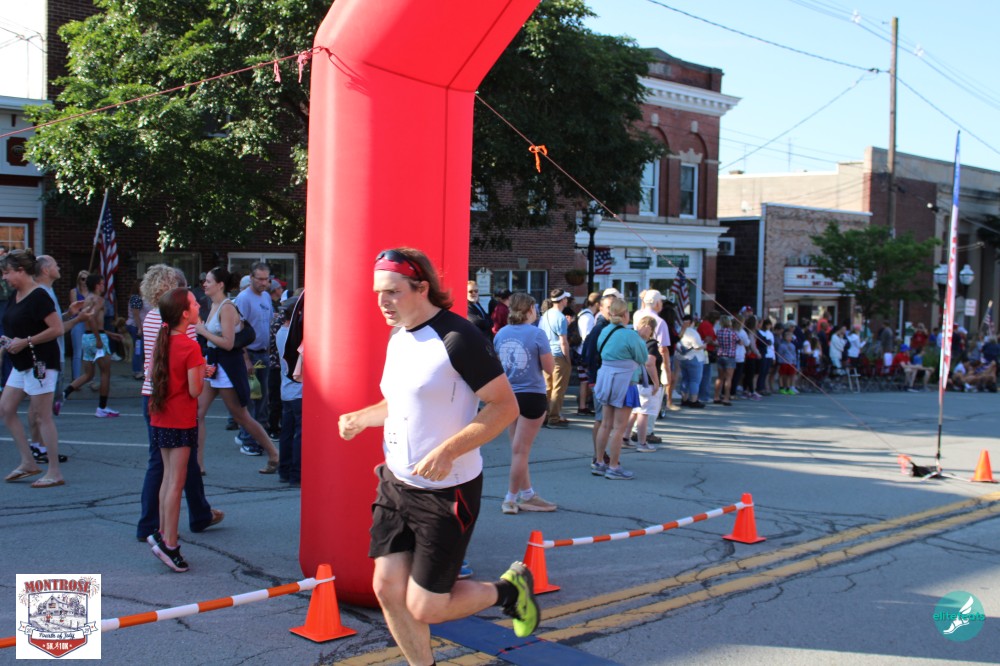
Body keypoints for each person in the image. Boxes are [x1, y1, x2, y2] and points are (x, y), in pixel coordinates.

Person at [337, 247, 536, 665]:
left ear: (421, 288)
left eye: (392, 292)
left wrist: (449, 450)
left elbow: (504, 407)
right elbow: (402, 403)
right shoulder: (398, 337)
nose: (382, 302)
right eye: (378, 292)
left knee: (427, 606)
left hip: (447, 491)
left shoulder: (458, 338)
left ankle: (510, 590)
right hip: (396, 483)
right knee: (386, 588)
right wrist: (361, 418)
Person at [136, 265, 223, 542]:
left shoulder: (151, 318)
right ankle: (160, 526)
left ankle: (166, 521)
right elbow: (187, 366)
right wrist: (203, 370)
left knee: (165, 462)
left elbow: (158, 360)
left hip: (153, 393)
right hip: (176, 398)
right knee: (177, 463)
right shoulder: (180, 327)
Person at [146, 288, 207, 573]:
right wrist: (202, 370)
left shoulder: (163, 341)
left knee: (168, 479)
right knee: (175, 482)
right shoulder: (190, 346)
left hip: (160, 417)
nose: (198, 306)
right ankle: (170, 543)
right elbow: (194, 390)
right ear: (184, 313)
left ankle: (162, 532)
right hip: (181, 419)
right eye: (194, 304)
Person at [195, 267, 279, 474]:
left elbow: (228, 343)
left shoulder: (227, 307)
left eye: (208, 281)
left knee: (241, 416)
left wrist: (203, 331)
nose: (204, 284)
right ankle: (197, 464)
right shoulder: (213, 305)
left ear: (220, 285)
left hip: (227, 367)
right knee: (197, 413)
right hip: (213, 365)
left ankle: (274, 454)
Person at [1, 250, 67, 488]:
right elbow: (14, 326)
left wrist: (26, 341)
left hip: (40, 363)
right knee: (6, 409)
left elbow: (57, 329)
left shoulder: (39, 296)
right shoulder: (16, 294)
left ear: (21, 271)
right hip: (21, 363)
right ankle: (28, 461)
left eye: (7, 272)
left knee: (42, 416)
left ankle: (54, 471)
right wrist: (7, 343)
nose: (4, 277)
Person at [493, 292, 556, 514]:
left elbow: (498, 366)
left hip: (508, 396)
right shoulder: (537, 334)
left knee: (518, 450)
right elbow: (549, 368)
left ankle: (528, 494)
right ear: (530, 310)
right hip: (531, 396)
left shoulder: (501, 333)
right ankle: (510, 499)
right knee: (521, 452)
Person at [592, 298, 648, 480]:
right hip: (625, 381)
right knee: (619, 428)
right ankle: (614, 467)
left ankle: (599, 462)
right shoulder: (630, 335)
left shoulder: (604, 331)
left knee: (605, 424)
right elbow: (643, 357)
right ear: (625, 314)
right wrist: (643, 339)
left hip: (605, 379)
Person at [62, 273, 123, 417]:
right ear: (97, 285)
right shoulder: (99, 300)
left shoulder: (86, 299)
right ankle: (102, 407)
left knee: (88, 374)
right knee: (105, 373)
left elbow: (91, 322)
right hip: (96, 338)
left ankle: (64, 394)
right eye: (101, 283)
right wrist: (99, 339)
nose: (103, 286)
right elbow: (91, 319)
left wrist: (109, 334)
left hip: (87, 337)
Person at [233, 262, 274, 455]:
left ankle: (255, 437)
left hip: (263, 353)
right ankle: (248, 440)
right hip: (249, 353)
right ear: (251, 278)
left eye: (266, 279)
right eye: (260, 279)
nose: (264, 283)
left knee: (262, 398)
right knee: (250, 399)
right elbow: (238, 330)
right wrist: (245, 359)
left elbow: (268, 324)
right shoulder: (244, 298)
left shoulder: (266, 296)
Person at [276, 296, 302, 486]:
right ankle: (296, 473)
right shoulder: (296, 336)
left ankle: (284, 470)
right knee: (299, 434)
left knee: (286, 432)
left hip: (286, 390)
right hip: (299, 390)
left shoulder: (281, 332)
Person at [538, 288, 572, 428]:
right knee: (558, 388)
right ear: (563, 300)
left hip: (546, 353)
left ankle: (544, 416)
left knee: (547, 386)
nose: (567, 301)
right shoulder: (560, 317)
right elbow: (563, 342)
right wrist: (567, 359)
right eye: (566, 298)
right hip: (558, 355)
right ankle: (554, 418)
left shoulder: (546, 314)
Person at [631, 316, 663, 453]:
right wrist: (656, 382)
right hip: (646, 382)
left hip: (635, 379)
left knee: (634, 412)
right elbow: (649, 363)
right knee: (644, 413)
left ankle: (625, 438)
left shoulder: (634, 340)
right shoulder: (651, 344)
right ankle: (642, 443)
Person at [676, 314, 706, 408]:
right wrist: (704, 345)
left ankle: (684, 399)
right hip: (694, 357)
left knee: (685, 379)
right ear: (691, 322)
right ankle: (694, 400)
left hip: (682, 358)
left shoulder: (678, 330)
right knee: (694, 380)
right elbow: (697, 346)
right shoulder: (693, 332)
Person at [126, 281, 150, 380]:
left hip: (140, 326)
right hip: (136, 326)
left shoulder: (142, 298)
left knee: (140, 349)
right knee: (138, 349)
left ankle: (140, 370)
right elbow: (136, 315)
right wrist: (139, 328)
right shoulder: (136, 298)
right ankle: (137, 371)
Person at [68, 270, 89, 381]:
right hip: (77, 322)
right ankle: (76, 378)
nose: (85, 281)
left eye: (87, 279)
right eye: (83, 279)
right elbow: (75, 309)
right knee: (78, 351)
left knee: (89, 352)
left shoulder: (92, 293)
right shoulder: (74, 292)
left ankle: (89, 377)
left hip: (89, 323)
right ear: (79, 280)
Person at [714, 315, 738, 406]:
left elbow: (716, 342)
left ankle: (716, 397)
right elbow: (739, 341)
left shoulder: (718, 332)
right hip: (730, 356)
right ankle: (726, 398)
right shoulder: (732, 333)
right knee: (728, 378)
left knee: (719, 377)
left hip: (720, 355)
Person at [776, 329, 798, 395]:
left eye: (790, 336)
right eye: (788, 336)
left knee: (789, 375)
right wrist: (780, 361)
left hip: (791, 362)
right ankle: (781, 387)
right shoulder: (782, 345)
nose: (789, 338)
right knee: (782, 375)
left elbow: (794, 354)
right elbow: (779, 354)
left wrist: (794, 361)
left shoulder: (793, 346)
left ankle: (788, 388)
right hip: (784, 362)